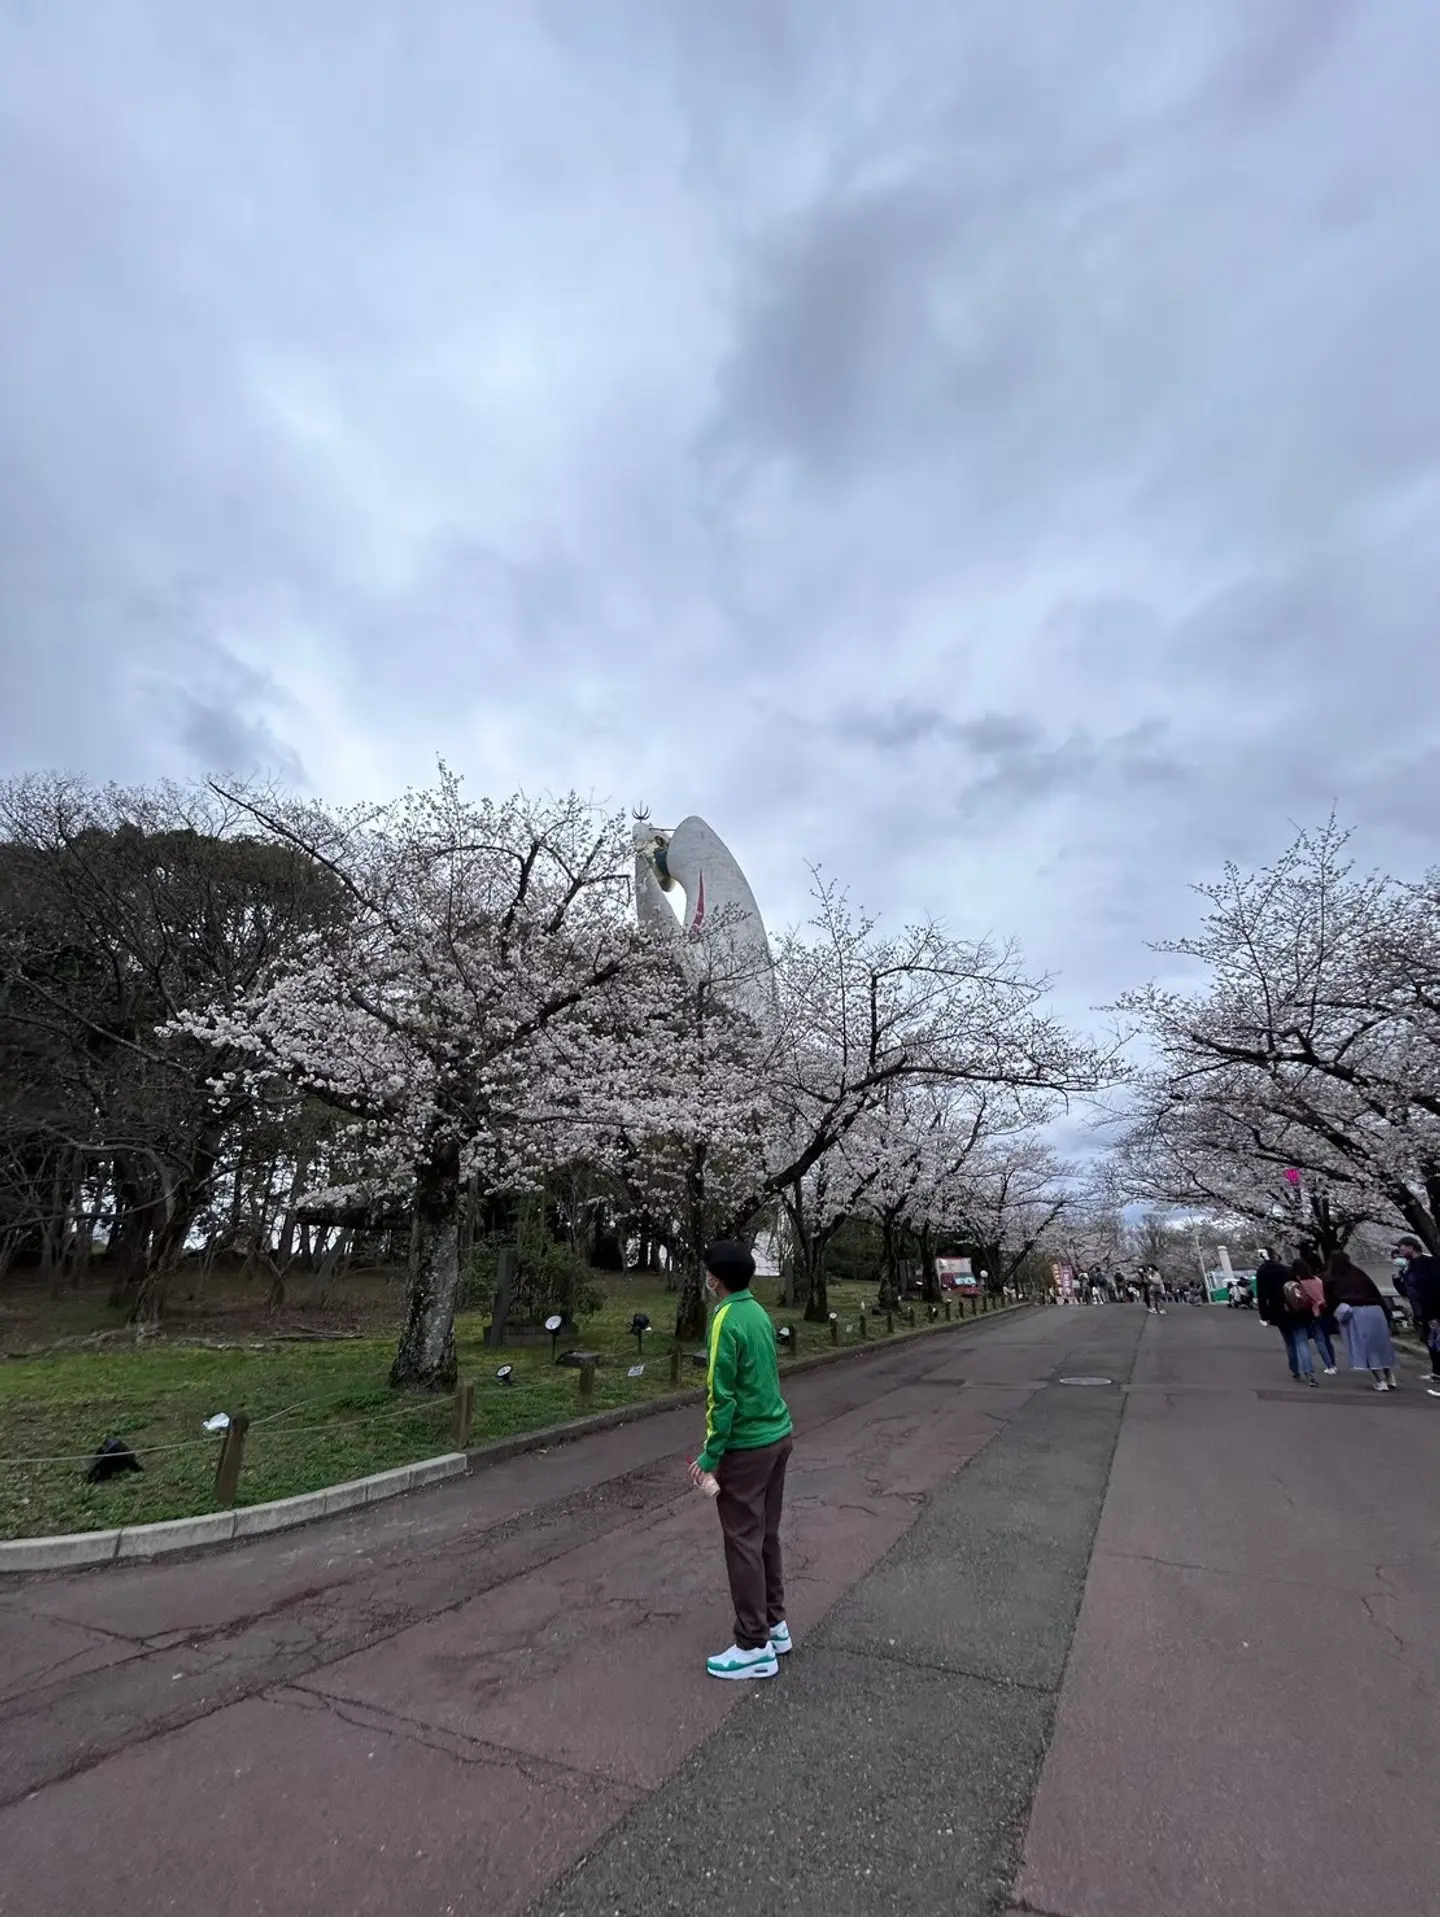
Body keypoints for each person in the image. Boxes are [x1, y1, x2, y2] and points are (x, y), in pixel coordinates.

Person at [688, 1241, 795, 1681]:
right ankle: (774, 1623)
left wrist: (711, 1454)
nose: (705, 1277)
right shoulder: (758, 1313)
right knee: (765, 1535)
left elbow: (721, 1394)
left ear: (716, 1278)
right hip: (778, 1435)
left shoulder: (725, 1318)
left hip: (747, 1446)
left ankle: (753, 1644)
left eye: (707, 1271)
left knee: (743, 1541)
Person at [1324, 1252, 1398, 1391]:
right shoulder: (1359, 1274)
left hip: (1355, 1312)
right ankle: (1389, 1376)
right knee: (1380, 1346)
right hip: (1375, 1310)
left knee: (1366, 1348)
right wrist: (1387, 1314)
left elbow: (1330, 1301)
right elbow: (1375, 1292)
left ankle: (1380, 1379)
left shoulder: (1331, 1278)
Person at [1256, 1252, 1316, 1385]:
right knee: (1302, 1342)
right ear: (1275, 1257)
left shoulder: (1262, 1273)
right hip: (1297, 1310)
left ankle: (1295, 1371)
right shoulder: (1286, 1270)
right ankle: (1310, 1374)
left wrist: (1264, 1316)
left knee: (1289, 1343)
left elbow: (1261, 1296)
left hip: (1279, 1312)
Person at [1394, 1237, 1440, 1387]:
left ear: (1411, 1248)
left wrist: (1435, 1314)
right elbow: (1406, 1291)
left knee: (1436, 1341)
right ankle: (1436, 1372)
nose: (1400, 1252)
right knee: (1430, 1342)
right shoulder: (1409, 1267)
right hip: (1421, 1310)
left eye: (1402, 1249)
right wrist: (1397, 1279)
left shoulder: (1430, 1263)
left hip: (1433, 1310)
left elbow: (1435, 1287)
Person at [1291, 1248, 1337, 1374]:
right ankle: (1331, 1364)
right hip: (1323, 1310)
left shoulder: (1300, 1283)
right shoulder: (1317, 1279)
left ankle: (1312, 1368)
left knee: (1307, 1340)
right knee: (1324, 1340)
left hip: (1311, 1312)